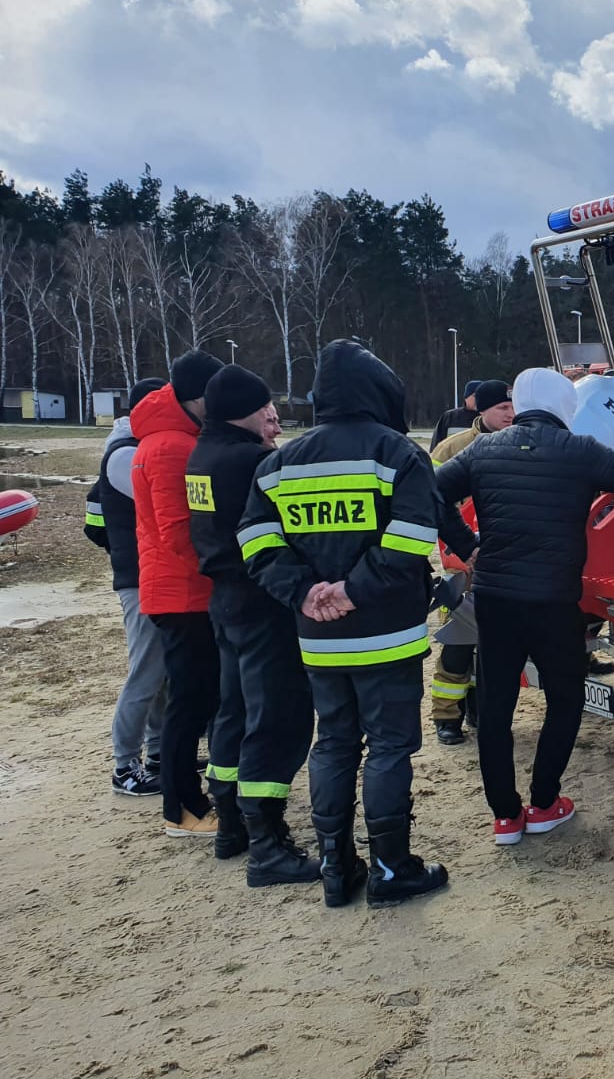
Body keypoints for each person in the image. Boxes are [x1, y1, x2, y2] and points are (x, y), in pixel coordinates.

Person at [238, 339, 464, 907]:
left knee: (334, 743)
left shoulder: (278, 462)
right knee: (389, 747)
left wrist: (306, 591)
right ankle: (393, 870)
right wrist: (354, 590)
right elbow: (413, 537)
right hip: (387, 631)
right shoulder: (396, 453)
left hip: (317, 634)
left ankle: (337, 868)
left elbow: (255, 540)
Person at [434, 368, 614, 847]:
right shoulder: (579, 450)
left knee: (497, 710)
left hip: (495, 599)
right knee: (564, 700)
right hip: (554, 601)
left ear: (519, 403)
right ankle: (544, 804)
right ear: (567, 406)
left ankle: (505, 817)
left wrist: (465, 542)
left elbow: (428, 490)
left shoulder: (484, 447)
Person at [187, 365, 319, 885]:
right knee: (278, 718)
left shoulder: (205, 453)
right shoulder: (255, 460)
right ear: (244, 408)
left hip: (226, 600)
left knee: (233, 712)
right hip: (264, 600)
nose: (274, 413)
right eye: (265, 405)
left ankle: (231, 826)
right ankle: (269, 847)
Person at [131, 349, 225, 838]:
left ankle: (188, 798)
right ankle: (181, 809)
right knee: (189, 702)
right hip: (182, 594)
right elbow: (179, 531)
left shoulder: (178, 437)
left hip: (188, 591)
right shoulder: (170, 447)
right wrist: (225, 571)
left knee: (197, 698)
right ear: (199, 398)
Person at [85, 376, 168, 798]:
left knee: (162, 674)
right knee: (146, 673)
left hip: (144, 574)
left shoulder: (125, 449)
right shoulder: (125, 455)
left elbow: (93, 523)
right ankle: (124, 766)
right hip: (138, 579)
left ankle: (157, 753)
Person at [426, 378, 514, 745]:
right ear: (483, 410)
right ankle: (447, 716)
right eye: (502, 409)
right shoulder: (454, 449)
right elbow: (429, 500)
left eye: (513, 407)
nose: (510, 414)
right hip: (462, 560)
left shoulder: (516, 443)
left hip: (502, 561)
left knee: (493, 645)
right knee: (459, 643)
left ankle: (480, 708)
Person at [429, 380, 482, 450]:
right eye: (475, 396)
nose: (480, 399)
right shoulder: (449, 417)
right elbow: (436, 447)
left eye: (483, 396)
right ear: (466, 397)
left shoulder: (489, 419)